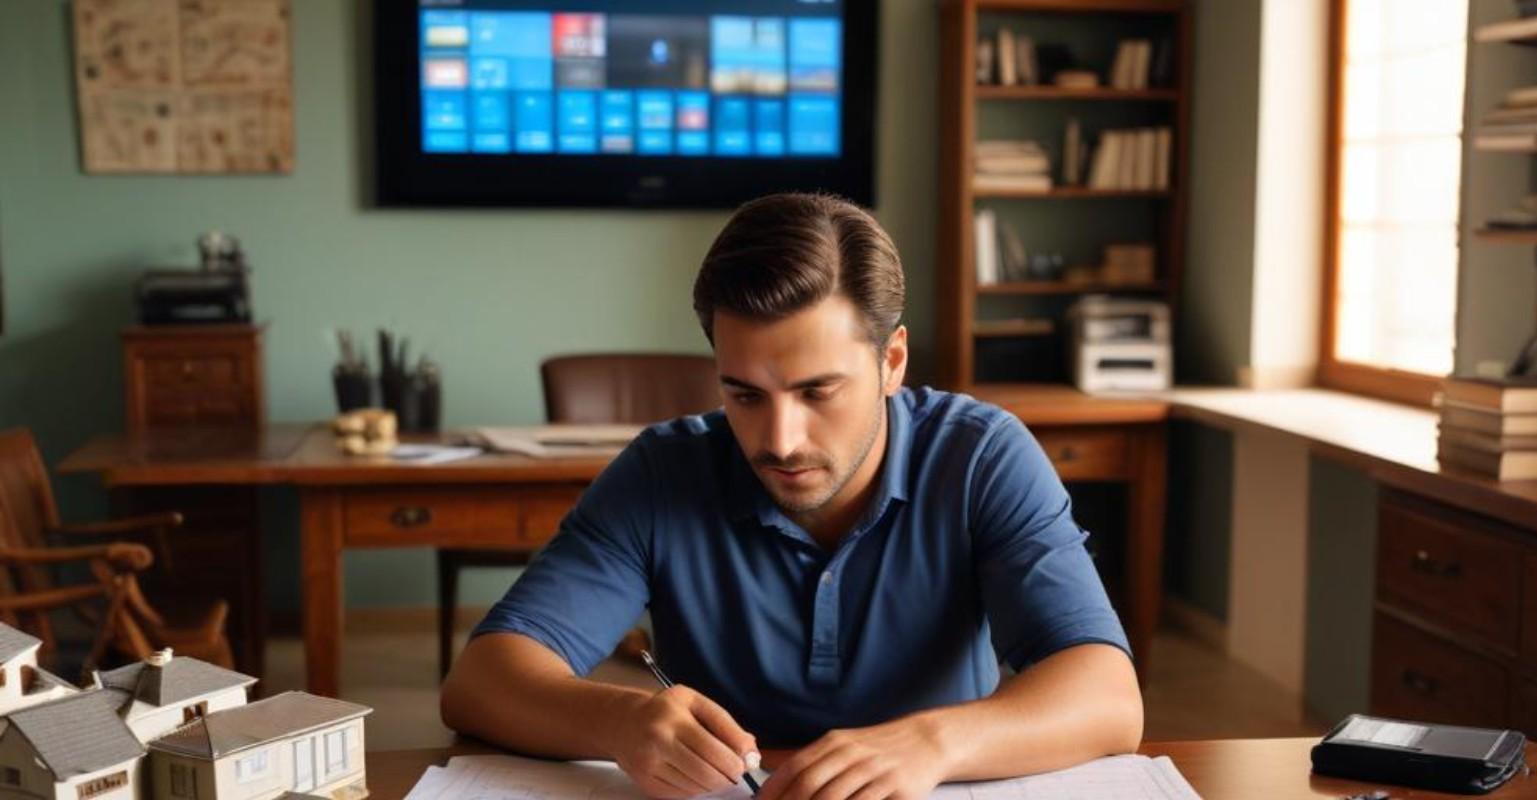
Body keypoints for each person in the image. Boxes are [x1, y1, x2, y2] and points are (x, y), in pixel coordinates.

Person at [440, 193, 1142, 800]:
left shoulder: (982, 455)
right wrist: (618, 721)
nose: (779, 440)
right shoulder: (663, 471)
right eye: (744, 394)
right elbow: (480, 682)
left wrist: (934, 742)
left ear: (891, 361)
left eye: (817, 392)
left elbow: (1107, 695)